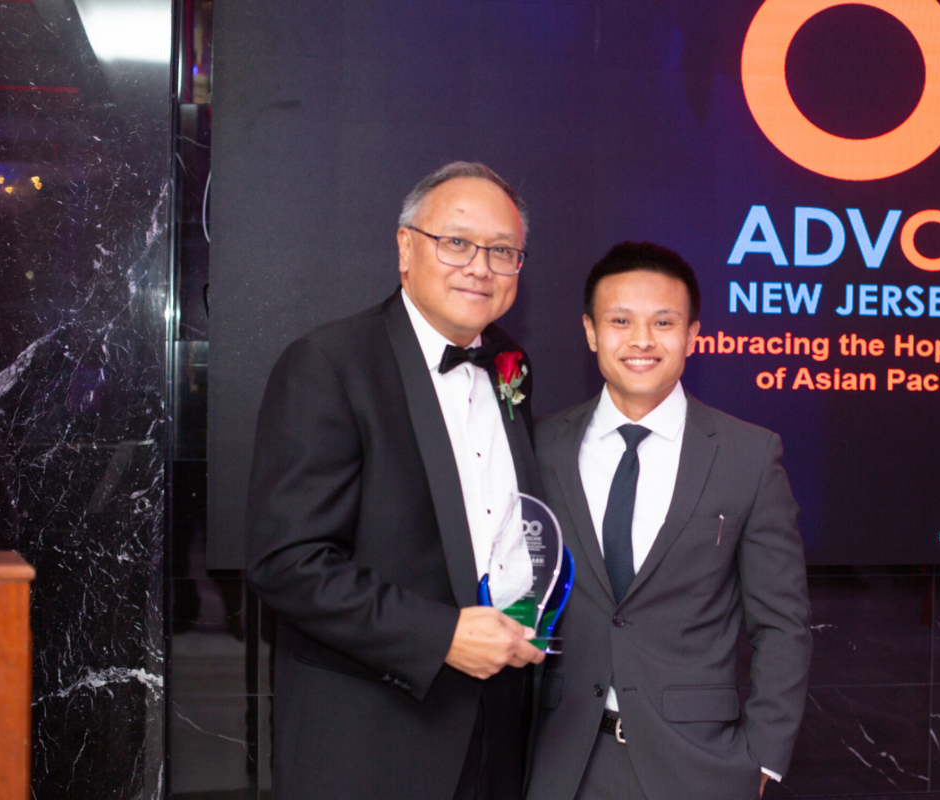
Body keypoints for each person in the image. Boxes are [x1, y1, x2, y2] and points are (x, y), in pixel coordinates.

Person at [246, 161, 546, 800]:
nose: (480, 267)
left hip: (495, 737)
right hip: (371, 742)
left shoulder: (510, 367)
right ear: (406, 247)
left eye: (503, 252)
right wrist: (442, 637)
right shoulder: (330, 364)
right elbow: (287, 562)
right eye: (457, 242)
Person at [526, 243, 812, 800]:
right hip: (559, 758)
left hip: (701, 767)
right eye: (620, 321)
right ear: (591, 332)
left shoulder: (748, 455)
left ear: (692, 335)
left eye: (663, 322)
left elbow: (782, 623)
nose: (641, 340)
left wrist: (762, 761)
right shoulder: (539, 445)